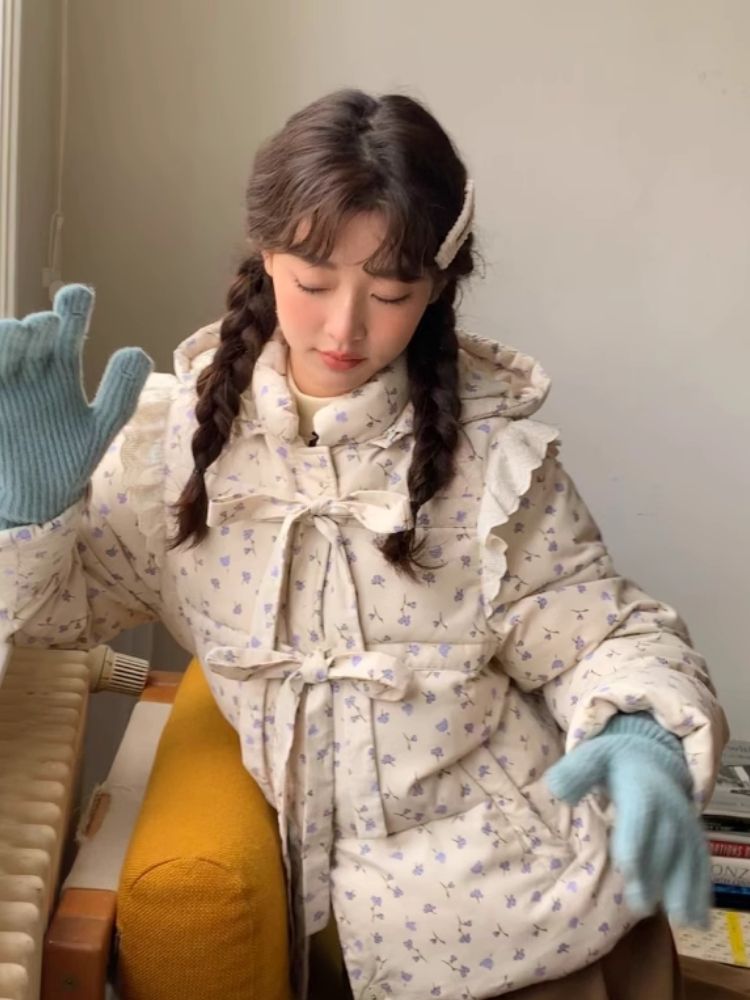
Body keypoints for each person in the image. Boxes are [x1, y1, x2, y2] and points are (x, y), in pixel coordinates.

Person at [0, 89, 730, 1000]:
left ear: (437, 289)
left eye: (390, 295)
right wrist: (31, 512)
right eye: (313, 283)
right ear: (266, 254)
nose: (344, 329)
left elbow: (600, 632)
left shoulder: (493, 461)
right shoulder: (174, 451)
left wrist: (641, 733)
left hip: (540, 909)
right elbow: (56, 619)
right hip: (341, 932)